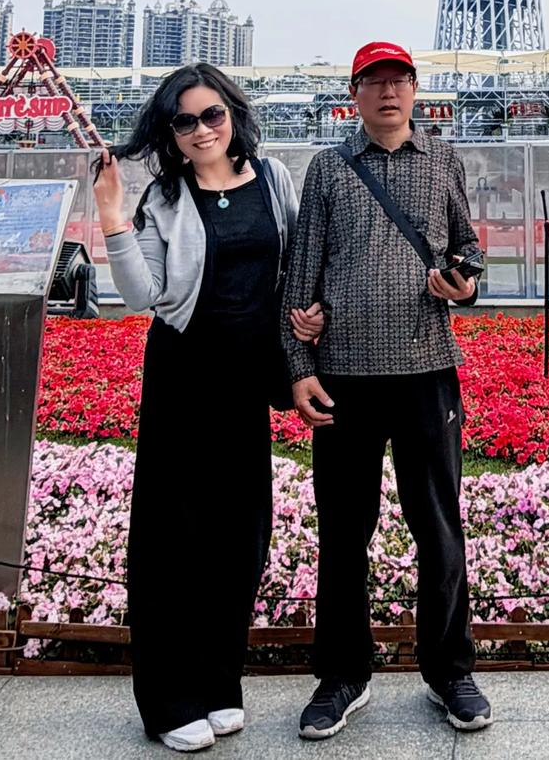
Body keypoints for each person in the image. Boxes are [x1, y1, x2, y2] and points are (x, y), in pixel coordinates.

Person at [92, 63, 324, 752]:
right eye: (185, 121)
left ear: (234, 115)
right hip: (184, 379)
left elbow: (294, 266)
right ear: (170, 132)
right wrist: (112, 218)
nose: (201, 131)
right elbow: (145, 298)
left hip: (248, 382)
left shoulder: (274, 178)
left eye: (212, 115)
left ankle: (220, 683)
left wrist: (307, 321)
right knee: (173, 543)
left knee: (239, 537)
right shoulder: (164, 197)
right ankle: (168, 702)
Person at [280, 40, 490, 740]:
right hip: (341, 377)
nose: (388, 92)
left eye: (398, 80)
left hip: (428, 369)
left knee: (438, 525)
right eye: (374, 82)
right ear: (355, 94)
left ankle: (449, 670)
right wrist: (298, 364)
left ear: (415, 90)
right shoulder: (330, 169)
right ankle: (343, 675)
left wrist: (461, 278)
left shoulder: (442, 160)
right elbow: (299, 273)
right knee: (344, 532)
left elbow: (469, 248)